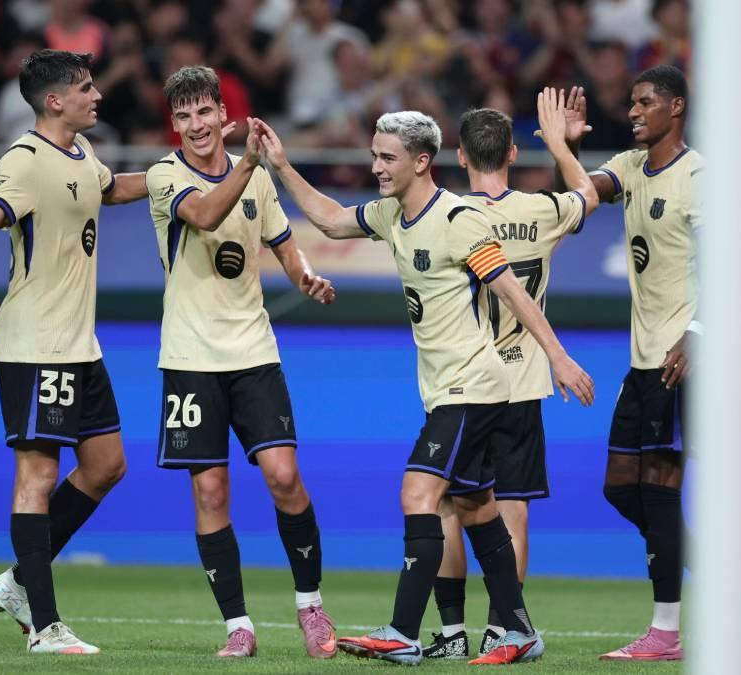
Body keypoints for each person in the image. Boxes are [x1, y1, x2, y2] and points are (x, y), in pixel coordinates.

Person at [257, 110, 594, 665]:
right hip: (444, 388)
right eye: (374, 155)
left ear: (420, 161)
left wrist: (558, 357)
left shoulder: (458, 218)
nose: (376, 167)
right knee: (478, 505)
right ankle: (519, 631)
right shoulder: (393, 214)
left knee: (419, 492)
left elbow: (511, 290)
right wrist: (282, 167)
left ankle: (403, 631)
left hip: (474, 384)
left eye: (387, 158)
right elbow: (334, 220)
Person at [0, 49, 152, 654]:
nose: (98, 96)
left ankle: (18, 580)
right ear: (55, 101)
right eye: (87, 88)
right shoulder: (24, 158)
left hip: (79, 342)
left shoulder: (80, 152)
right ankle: (44, 627)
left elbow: (112, 189)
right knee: (37, 474)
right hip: (35, 340)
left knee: (107, 465)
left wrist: (185, 172)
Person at [144, 64, 337, 659]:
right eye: (184, 116)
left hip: (253, 352)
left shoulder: (255, 181)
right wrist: (250, 162)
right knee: (212, 494)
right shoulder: (163, 176)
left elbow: (283, 243)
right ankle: (239, 626)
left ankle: (311, 608)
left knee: (284, 478)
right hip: (190, 358)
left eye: (205, 112)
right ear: (174, 126)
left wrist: (305, 277)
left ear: (223, 116)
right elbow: (203, 215)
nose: (197, 124)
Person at [423, 88, 599, 660]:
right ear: (514, 152)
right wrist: (563, 145)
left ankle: (451, 633)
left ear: (459, 154)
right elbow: (587, 194)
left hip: (465, 381)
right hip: (523, 383)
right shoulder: (539, 211)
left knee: (449, 504)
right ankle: (505, 630)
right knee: (512, 509)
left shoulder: (446, 214)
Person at [560, 64, 702, 661]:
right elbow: (583, 198)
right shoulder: (627, 166)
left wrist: (699, 333)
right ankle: (712, 572)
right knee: (621, 488)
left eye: (646, 102)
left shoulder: (702, 177)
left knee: (662, 490)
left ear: (676, 106)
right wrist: (562, 146)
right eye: (632, 103)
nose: (634, 111)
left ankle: (666, 634)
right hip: (642, 361)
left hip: (682, 359)